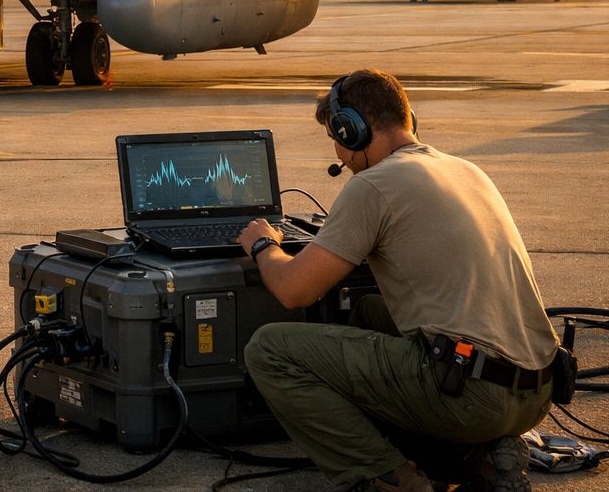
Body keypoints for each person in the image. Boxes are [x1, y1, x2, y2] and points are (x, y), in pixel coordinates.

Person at [236, 70, 558, 492]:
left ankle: (391, 479)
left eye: (337, 137)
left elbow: (294, 290)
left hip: (476, 396)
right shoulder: (465, 169)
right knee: (367, 310)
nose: (339, 153)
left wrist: (264, 246)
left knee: (269, 350)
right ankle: (483, 455)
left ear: (351, 129)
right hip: (537, 393)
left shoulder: (373, 185)